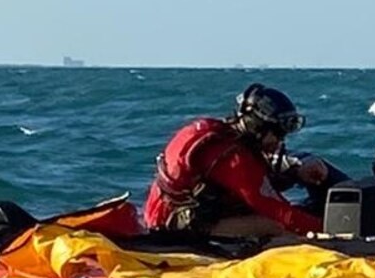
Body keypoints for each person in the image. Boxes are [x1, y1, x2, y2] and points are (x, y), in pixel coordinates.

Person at [143, 83, 336, 237]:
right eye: (277, 134)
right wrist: (326, 231)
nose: (280, 141)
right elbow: (276, 210)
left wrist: (294, 170)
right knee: (273, 226)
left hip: (167, 213)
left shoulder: (223, 136)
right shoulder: (231, 158)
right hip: (175, 225)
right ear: (258, 127)